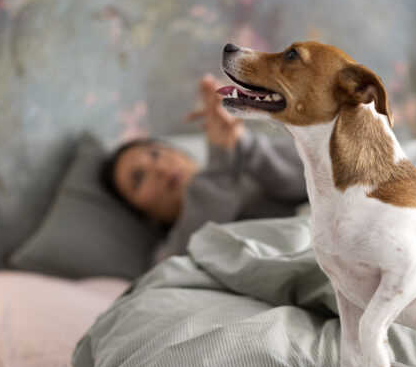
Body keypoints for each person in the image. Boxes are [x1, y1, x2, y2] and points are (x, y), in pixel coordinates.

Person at [102, 75, 307, 263]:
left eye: (155, 154)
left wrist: (241, 143)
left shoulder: (248, 165)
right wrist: (221, 159)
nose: (161, 169)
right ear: (146, 217)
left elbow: (318, 170)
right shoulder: (171, 256)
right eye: (139, 178)